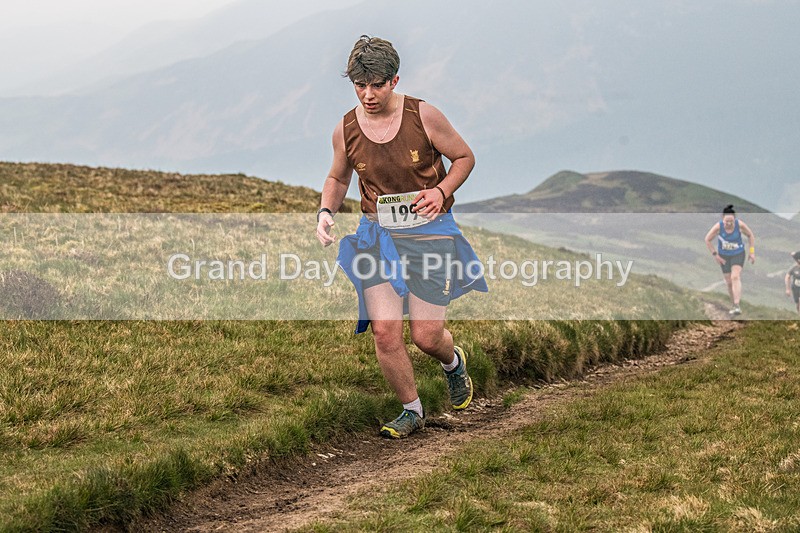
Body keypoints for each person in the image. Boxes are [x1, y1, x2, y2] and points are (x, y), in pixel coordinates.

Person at [315, 35, 487, 438]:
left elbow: (465, 157)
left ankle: (453, 363)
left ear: (394, 80)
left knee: (426, 337)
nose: (368, 94)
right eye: (360, 85)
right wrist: (326, 211)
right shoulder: (345, 128)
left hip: (429, 233)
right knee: (385, 331)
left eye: (376, 84)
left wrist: (441, 191)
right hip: (376, 235)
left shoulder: (424, 116)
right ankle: (412, 410)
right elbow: (338, 176)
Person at [704, 204, 756, 316]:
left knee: (735, 276)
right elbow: (707, 240)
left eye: (731, 221)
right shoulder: (718, 227)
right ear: (723, 218)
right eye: (726, 221)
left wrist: (751, 252)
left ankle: (737, 305)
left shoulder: (740, 225)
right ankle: (734, 305)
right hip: (724, 256)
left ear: (734, 219)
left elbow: (750, 235)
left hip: (738, 254)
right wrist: (715, 255)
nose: (728, 223)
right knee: (728, 282)